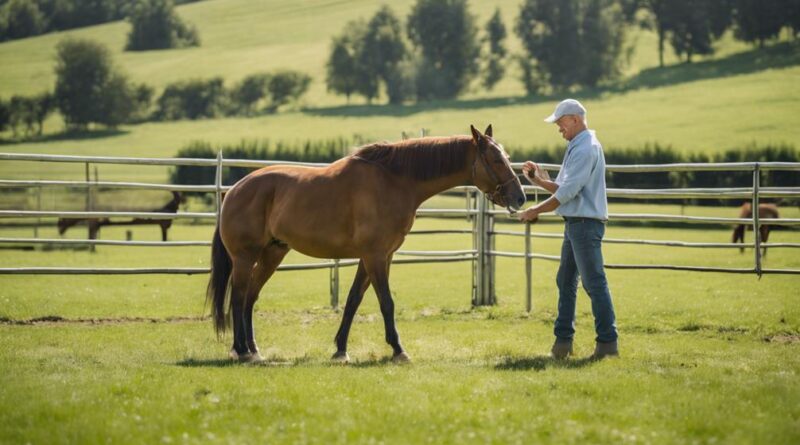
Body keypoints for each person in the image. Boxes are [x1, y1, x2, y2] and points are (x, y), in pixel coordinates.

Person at [517, 99, 618, 360]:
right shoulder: (578, 146)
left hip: (584, 225)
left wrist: (534, 211)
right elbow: (564, 188)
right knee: (566, 281)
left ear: (574, 119)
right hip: (576, 224)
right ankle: (563, 344)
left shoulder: (586, 149)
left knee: (594, 283)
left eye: (561, 123)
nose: (559, 129)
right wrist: (539, 180)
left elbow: (568, 193)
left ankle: (607, 345)